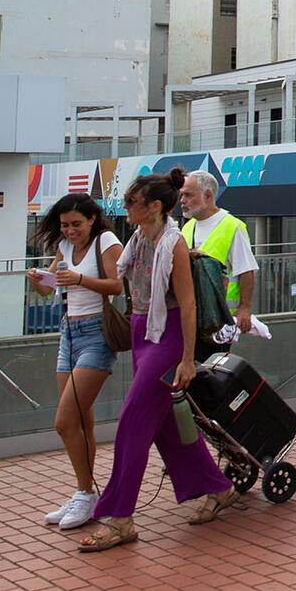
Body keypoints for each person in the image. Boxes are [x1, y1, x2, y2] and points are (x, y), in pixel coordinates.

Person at [80, 167, 239, 550]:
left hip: (166, 338)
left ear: (153, 206)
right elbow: (120, 282)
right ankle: (219, 488)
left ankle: (120, 518)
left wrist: (186, 359)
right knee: (166, 427)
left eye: (132, 202)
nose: (125, 207)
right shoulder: (137, 237)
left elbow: (187, 306)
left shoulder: (173, 243)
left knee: (132, 424)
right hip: (142, 332)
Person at [31, 193, 123, 530]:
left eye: (76, 225)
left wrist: (80, 279)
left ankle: (85, 493)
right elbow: (50, 287)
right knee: (80, 419)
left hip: (97, 333)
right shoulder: (65, 248)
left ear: (92, 220)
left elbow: (117, 284)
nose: (70, 231)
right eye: (64, 226)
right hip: (68, 332)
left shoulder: (107, 241)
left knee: (65, 420)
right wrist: (39, 279)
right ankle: (84, 492)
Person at [179, 169, 257, 344]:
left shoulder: (233, 226)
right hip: (193, 314)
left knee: (212, 367)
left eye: (188, 195)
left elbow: (247, 270)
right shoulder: (188, 227)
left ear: (208, 195)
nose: (182, 201)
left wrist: (244, 308)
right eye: (181, 195)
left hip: (220, 317)